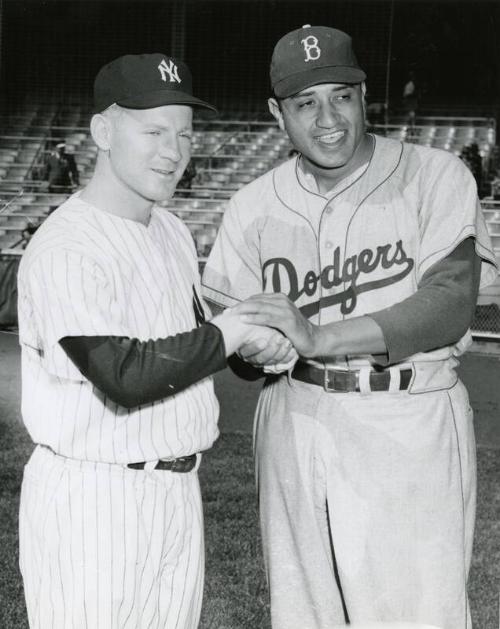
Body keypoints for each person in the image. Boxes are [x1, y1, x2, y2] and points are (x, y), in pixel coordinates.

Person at [202, 25, 498, 629]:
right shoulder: (252, 204)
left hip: (407, 415)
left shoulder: (436, 175)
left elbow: (447, 304)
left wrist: (319, 337)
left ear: (365, 96)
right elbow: (232, 345)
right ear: (276, 114)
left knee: (417, 615)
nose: (327, 117)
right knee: (303, 612)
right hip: (294, 417)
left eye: (341, 95)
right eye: (305, 103)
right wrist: (253, 349)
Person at [17, 52, 294, 629]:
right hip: (94, 499)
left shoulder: (168, 230)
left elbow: (190, 343)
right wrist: (235, 326)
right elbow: (125, 374)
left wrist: (251, 352)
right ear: (103, 132)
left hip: (176, 494)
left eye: (185, 134)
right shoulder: (67, 245)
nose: (174, 151)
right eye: (154, 131)